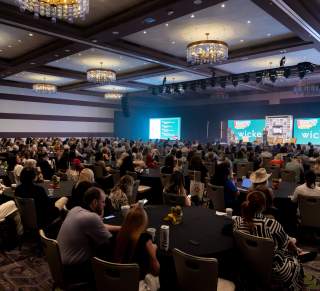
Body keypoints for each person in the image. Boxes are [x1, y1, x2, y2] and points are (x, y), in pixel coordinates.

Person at [233, 191, 304, 290]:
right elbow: (287, 243)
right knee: (295, 257)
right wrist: (296, 249)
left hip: (247, 266)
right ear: (264, 206)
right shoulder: (272, 224)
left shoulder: (238, 223)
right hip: (275, 271)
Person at [58, 187, 120, 284]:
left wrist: (121, 228)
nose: (104, 205)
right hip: (73, 271)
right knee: (110, 253)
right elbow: (108, 243)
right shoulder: (91, 217)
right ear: (95, 202)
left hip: (59, 265)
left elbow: (100, 225)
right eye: (103, 202)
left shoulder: (75, 209)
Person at [114, 206, 160, 280]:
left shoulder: (119, 235)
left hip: (120, 279)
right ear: (143, 222)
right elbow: (156, 271)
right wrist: (153, 253)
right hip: (138, 283)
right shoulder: (145, 239)